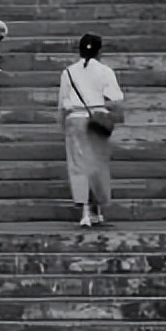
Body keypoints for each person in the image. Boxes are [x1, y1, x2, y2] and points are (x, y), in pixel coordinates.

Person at [58, 33, 125, 228]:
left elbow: (63, 101)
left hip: (75, 120)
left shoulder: (68, 72)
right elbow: (115, 97)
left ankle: (85, 210)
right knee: (97, 164)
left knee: (78, 166)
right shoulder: (105, 71)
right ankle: (97, 207)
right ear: (99, 51)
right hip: (97, 120)